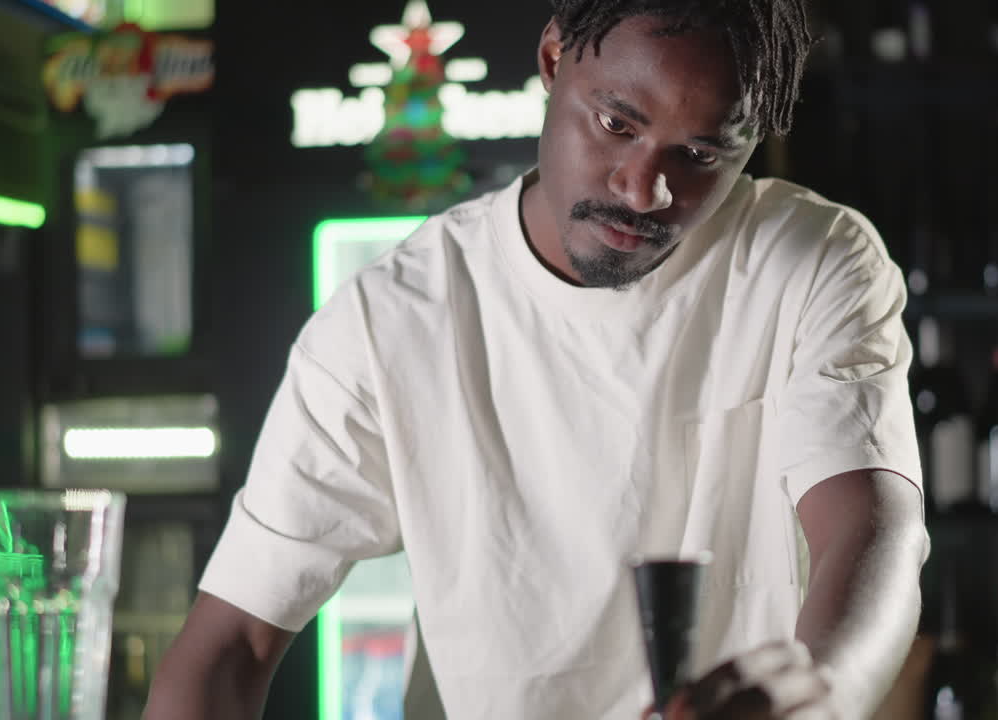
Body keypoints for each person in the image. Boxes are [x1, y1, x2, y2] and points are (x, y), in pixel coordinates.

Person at [143, 1, 929, 718]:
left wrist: (826, 692)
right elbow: (232, 643)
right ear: (554, 59)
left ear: (750, 140)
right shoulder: (391, 319)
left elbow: (870, 526)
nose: (644, 188)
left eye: (698, 153)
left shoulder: (815, 262)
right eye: (617, 124)